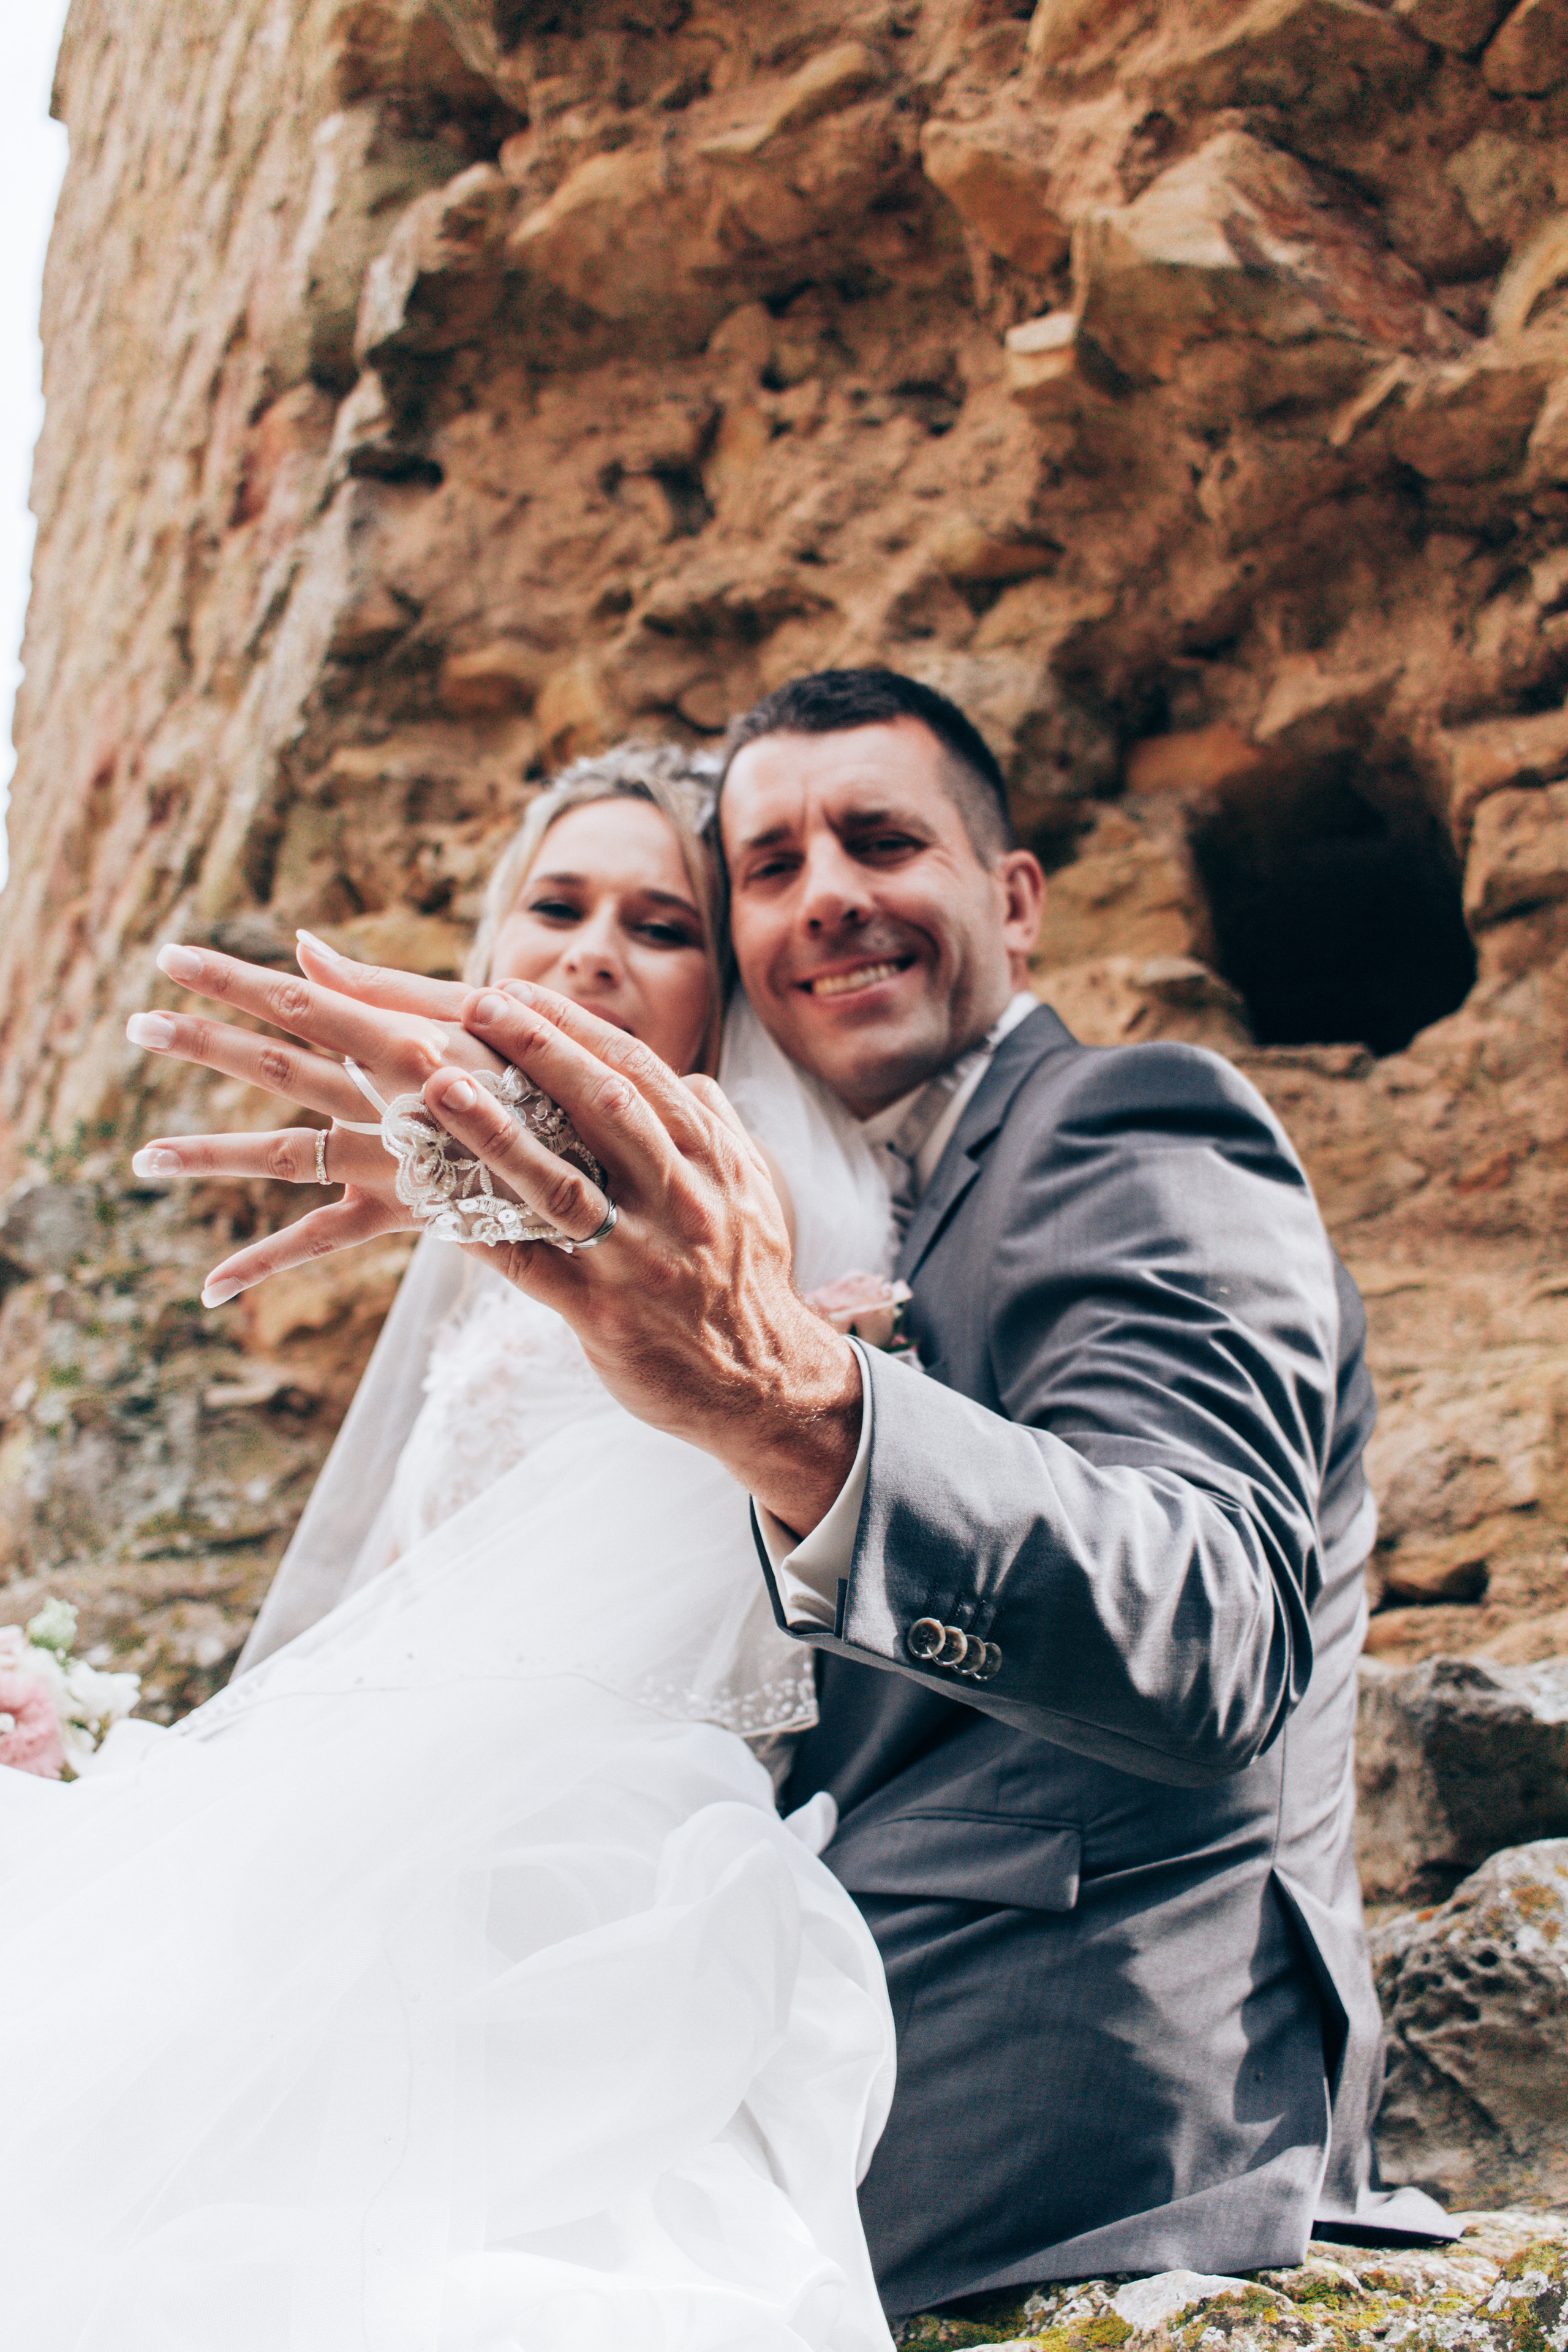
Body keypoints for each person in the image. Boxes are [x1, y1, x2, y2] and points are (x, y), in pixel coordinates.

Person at [180, 667, 1451, 2320]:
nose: (828, 896)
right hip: (805, 2007)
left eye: (879, 841)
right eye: (770, 868)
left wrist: (781, 1394)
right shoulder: (855, 1213)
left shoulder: (1131, 1126)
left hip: (1074, 2074)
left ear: (1013, 900)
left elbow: (1208, 1625)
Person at [0, 746, 903, 2352]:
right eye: (553, 907)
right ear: (493, 944)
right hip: (391, 1840)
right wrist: (118, 1775)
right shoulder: (481, 1254)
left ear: (724, 1001)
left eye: (661, 923)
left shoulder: (737, 1191)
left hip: (591, 1868)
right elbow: (392, 1656)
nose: (593, 952)